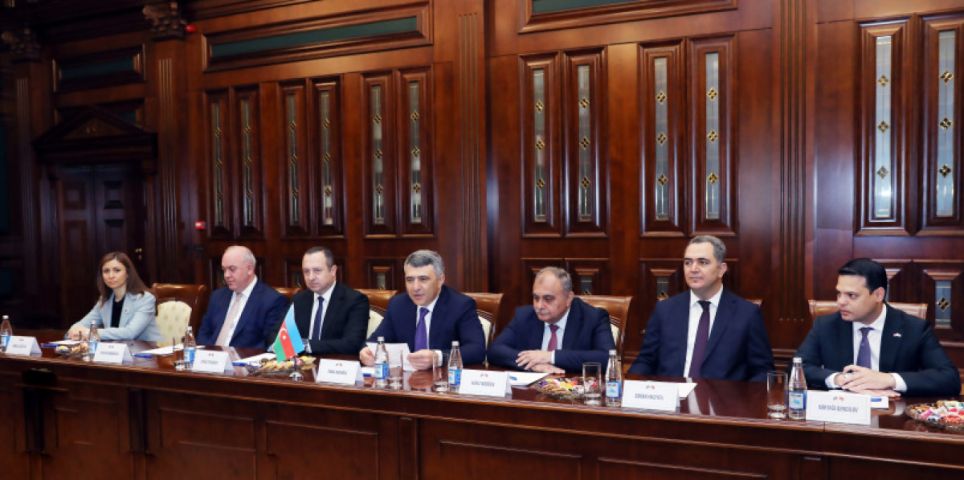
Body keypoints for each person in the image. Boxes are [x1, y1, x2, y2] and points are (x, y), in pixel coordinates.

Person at [795, 258, 960, 397]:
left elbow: (949, 378)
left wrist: (889, 380)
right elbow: (797, 369)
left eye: (851, 295)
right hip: (840, 414)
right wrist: (840, 379)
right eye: (839, 293)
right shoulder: (826, 326)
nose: (841, 302)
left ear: (878, 295)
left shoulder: (914, 329)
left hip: (893, 417)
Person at [628, 235, 773, 381]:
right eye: (688, 262)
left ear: (721, 269)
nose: (693, 269)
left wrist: (742, 396)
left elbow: (762, 371)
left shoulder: (747, 314)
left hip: (723, 395)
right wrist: (629, 386)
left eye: (702, 262)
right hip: (672, 393)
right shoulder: (665, 310)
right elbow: (645, 361)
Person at [359, 249, 485, 370]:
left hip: (442, 379)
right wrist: (366, 351)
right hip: (406, 380)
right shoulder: (398, 305)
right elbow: (375, 341)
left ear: (440, 280)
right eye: (410, 280)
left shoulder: (460, 305)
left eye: (423, 279)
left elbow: (477, 350)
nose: (415, 287)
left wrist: (438, 357)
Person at [488, 267, 615, 373]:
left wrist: (550, 356)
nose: (539, 306)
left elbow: (607, 359)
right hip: (532, 392)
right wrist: (532, 365)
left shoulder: (593, 318)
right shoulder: (525, 316)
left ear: (568, 298)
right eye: (536, 298)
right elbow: (495, 350)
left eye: (548, 299)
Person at [197, 245, 287, 349]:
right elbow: (203, 335)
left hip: (245, 358)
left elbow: (270, 345)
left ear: (249, 269)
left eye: (232, 269)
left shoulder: (272, 301)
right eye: (224, 270)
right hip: (211, 356)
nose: (226, 275)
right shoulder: (217, 296)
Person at [289, 246, 369, 355]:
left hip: (335, 362)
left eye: (317, 270)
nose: (311, 277)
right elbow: (279, 333)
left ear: (333, 271)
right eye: (306, 271)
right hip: (301, 363)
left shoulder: (355, 300)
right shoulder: (299, 299)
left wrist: (307, 345)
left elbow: (352, 343)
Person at [66, 251, 160, 342]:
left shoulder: (145, 299)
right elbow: (83, 324)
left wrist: (91, 332)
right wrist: (74, 330)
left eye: (117, 270)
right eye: (106, 271)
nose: (111, 276)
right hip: (114, 350)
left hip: (144, 351)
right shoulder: (104, 300)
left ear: (127, 273)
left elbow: (130, 332)